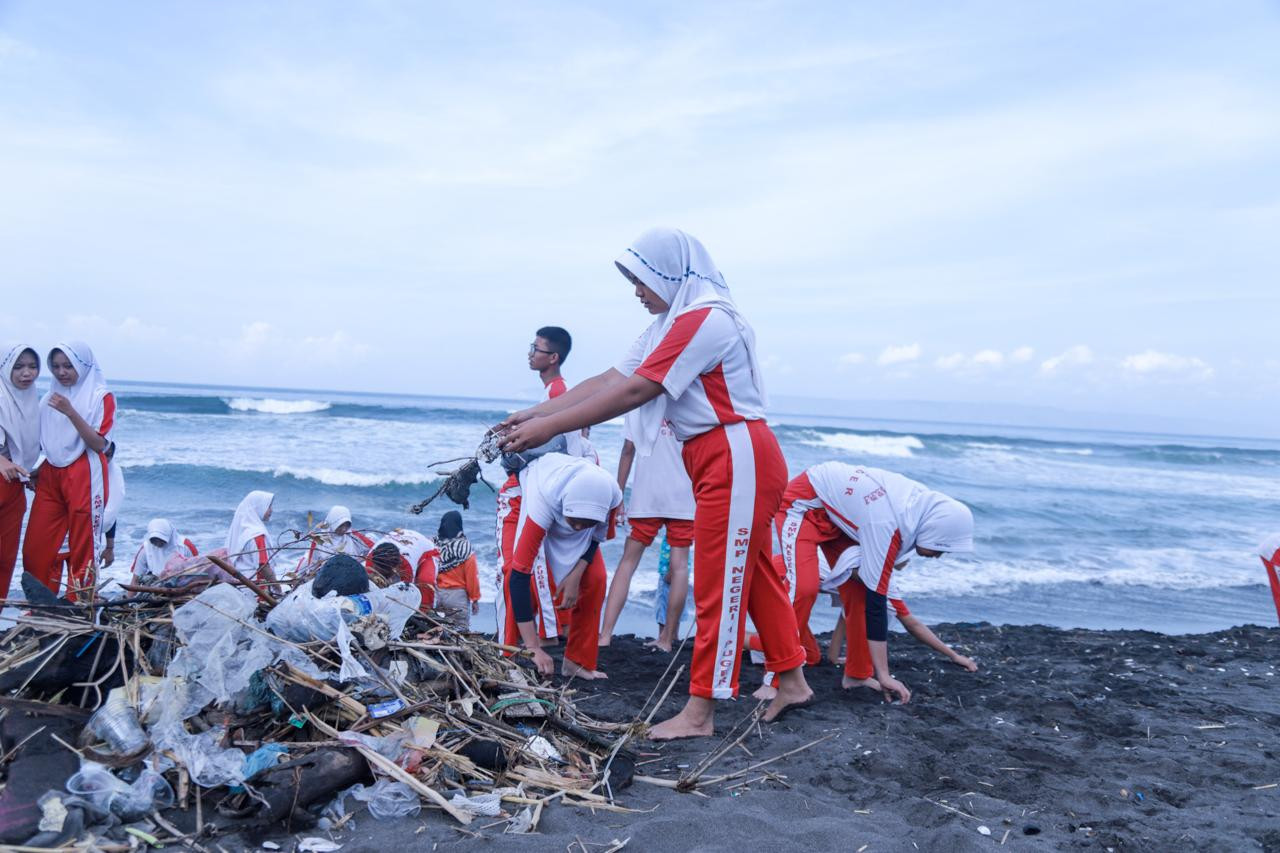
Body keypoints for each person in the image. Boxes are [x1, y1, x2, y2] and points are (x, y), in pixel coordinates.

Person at [498, 227, 812, 738]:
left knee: (717, 585)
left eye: (641, 280)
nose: (637, 292)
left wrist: (547, 428)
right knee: (751, 573)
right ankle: (793, 678)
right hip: (719, 455)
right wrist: (531, 414)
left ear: (670, 273)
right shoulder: (672, 322)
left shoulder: (706, 317)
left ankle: (700, 712)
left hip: (735, 453)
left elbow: (638, 391)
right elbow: (609, 380)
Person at [779, 462, 974, 704]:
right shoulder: (888, 526)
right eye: (941, 547)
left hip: (838, 516)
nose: (939, 555)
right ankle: (774, 679)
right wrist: (884, 675)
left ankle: (857, 675)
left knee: (857, 596)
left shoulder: (916, 514)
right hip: (806, 502)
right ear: (934, 530)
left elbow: (866, 604)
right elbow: (877, 605)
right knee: (804, 588)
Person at [506, 452, 620, 680]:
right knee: (511, 569)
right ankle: (509, 655)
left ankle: (577, 663)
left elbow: (595, 539)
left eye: (586, 523)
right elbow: (519, 575)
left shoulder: (612, 497)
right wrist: (534, 647)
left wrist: (576, 575)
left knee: (595, 578)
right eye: (575, 521)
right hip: (523, 497)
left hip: (563, 502)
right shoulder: (542, 504)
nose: (578, 527)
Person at [23, 342, 116, 597]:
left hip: (85, 472)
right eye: (55, 366)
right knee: (37, 547)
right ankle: (43, 604)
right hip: (52, 474)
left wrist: (71, 412)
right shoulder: (48, 399)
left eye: (68, 366)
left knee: (82, 546)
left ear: (83, 366)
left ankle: (81, 608)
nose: (61, 372)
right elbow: (53, 446)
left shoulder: (101, 397)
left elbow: (98, 444)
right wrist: (39, 470)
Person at [599, 414, 694, 652]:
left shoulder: (639, 405)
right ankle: (667, 639)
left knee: (627, 563)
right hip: (684, 496)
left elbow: (628, 449)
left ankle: (606, 634)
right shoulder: (687, 400)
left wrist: (618, 493)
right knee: (680, 566)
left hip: (647, 494)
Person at [0, 345, 40, 596]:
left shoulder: (33, 401)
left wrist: (34, 471)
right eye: (18, 366)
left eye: (32, 366)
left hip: (14, 487)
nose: (27, 373)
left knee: (4, 561)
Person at [367, 528, 439, 611]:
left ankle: (425, 609)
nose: (383, 577)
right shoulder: (370, 560)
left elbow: (407, 593)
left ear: (397, 567)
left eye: (386, 574)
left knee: (425, 580)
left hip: (428, 552)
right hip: (404, 539)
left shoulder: (407, 566)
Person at [434, 510, 481, 629]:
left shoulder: (434, 545)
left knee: (436, 629)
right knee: (460, 631)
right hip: (457, 597)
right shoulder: (465, 548)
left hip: (436, 594)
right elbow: (472, 577)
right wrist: (475, 599)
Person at [298, 505, 374, 570]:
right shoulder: (318, 539)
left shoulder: (353, 535)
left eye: (347, 525)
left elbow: (374, 548)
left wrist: (360, 560)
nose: (344, 529)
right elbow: (311, 565)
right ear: (333, 522)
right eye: (340, 525)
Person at [225, 490, 277, 582]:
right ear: (258, 507)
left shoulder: (242, 532)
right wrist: (278, 588)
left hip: (240, 584)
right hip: (256, 588)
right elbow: (263, 567)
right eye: (268, 506)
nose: (271, 510)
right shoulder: (257, 535)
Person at [129, 518, 199, 583]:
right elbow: (135, 579)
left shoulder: (185, 545)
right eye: (154, 540)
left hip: (182, 581)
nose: (158, 543)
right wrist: (129, 596)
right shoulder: (146, 549)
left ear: (169, 536)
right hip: (156, 583)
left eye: (161, 539)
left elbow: (199, 569)